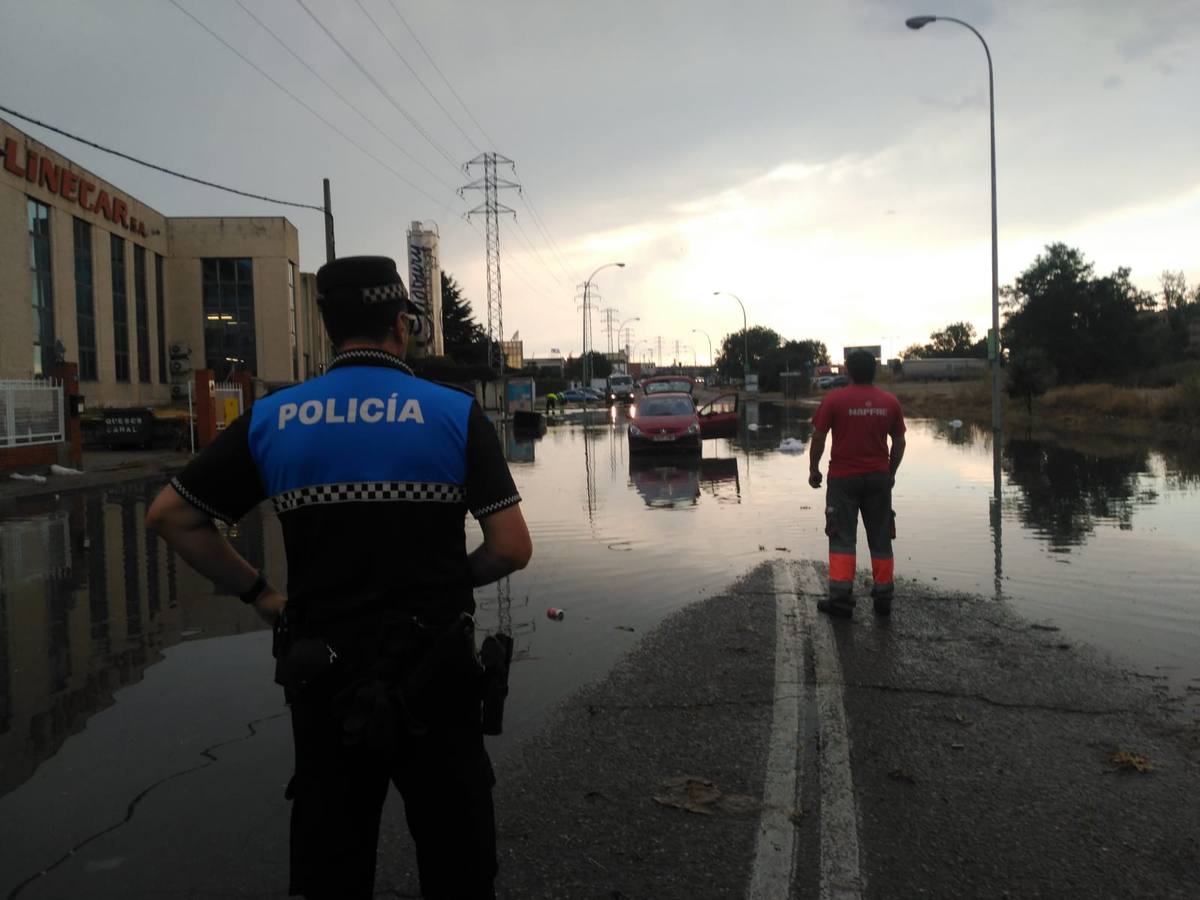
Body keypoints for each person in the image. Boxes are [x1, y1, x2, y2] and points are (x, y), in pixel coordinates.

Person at [146, 256, 532, 899]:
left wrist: (263, 596)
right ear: (400, 325)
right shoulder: (452, 414)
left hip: (324, 675)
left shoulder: (274, 418)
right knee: (458, 864)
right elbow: (511, 548)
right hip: (436, 673)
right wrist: (445, 583)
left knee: (334, 867)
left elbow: (172, 517)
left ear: (328, 327)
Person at [807, 350, 905, 617]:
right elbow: (899, 442)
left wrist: (814, 469)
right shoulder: (889, 402)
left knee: (842, 537)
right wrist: (890, 473)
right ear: (874, 371)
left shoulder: (834, 400)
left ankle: (841, 600)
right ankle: (883, 597)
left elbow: (818, 437)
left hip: (843, 480)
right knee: (881, 538)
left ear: (848, 371)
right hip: (878, 479)